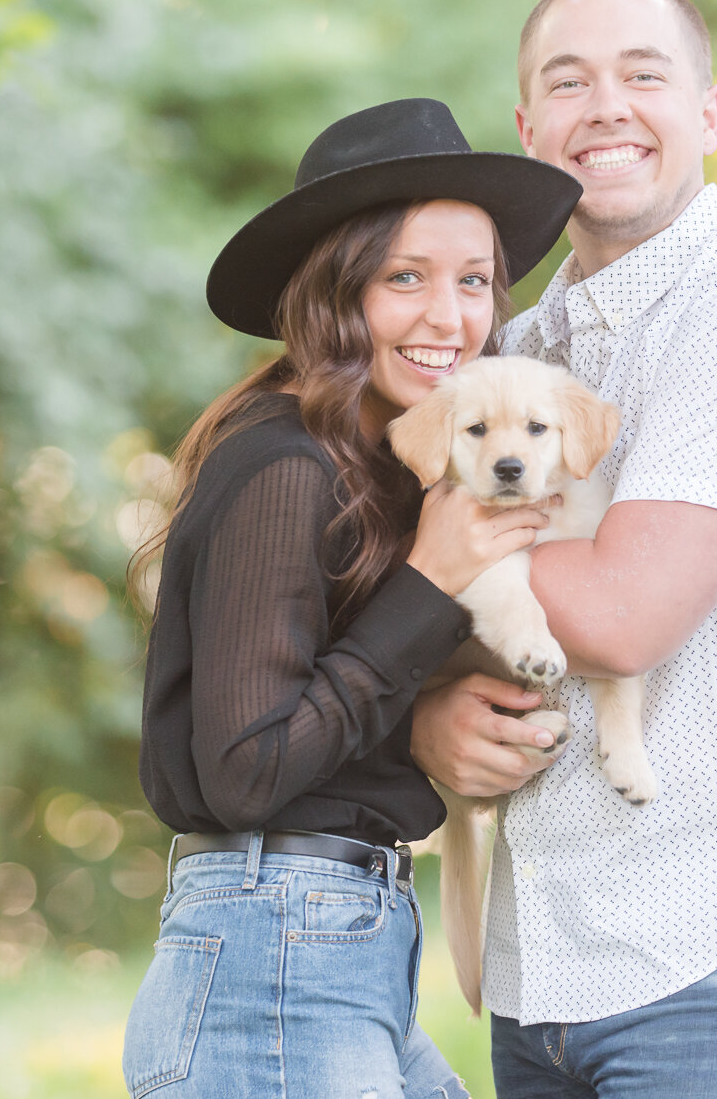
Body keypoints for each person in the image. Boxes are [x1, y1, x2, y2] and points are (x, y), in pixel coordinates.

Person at [410, 0, 717, 1097]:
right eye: (568, 82)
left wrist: (422, 530)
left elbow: (622, 614)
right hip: (543, 983)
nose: (606, 107)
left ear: (710, 113)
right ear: (530, 128)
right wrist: (428, 713)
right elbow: (440, 620)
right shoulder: (520, 349)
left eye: (643, 73)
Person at [123, 98, 583, 1099]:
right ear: (336, 294)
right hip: (271, 953)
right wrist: (429, 581)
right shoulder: (282, 464)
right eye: (402, 278)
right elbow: (246, 768)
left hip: (328, 949)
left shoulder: (376, 468)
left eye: (472, 281)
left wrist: (422, 711)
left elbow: (316, 710)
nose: (449, 318)